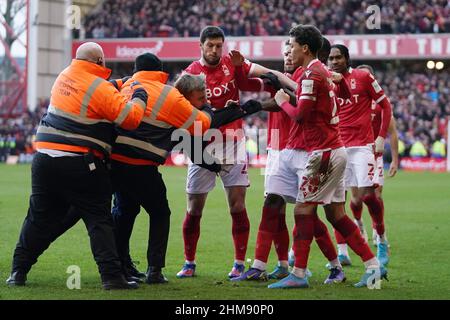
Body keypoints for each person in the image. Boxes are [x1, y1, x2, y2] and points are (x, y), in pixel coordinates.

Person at [110, 53, 263, 285]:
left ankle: (121, 266)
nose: (205, 100)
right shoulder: (171, 101)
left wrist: (241, 110)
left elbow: (197, 141)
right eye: (201, 97)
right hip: (141, 166)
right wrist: (217, 162)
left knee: (123, 212)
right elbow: (200, 132)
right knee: (159, 213)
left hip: (116, 164)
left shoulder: (128, 86)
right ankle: (152, 270)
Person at [6, 42, 148, 290]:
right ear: (101, 61)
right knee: (99, 220)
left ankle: (18, 270)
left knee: (37, 218)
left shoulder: (64, 76)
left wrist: (117, 84)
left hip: (44, 161)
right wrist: (138, 96)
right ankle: (112, 277)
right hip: (81, 163)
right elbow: (130, 118)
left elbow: (92, 95)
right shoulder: (99, 87)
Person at [269, 25, 386, 289]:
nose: (289, 49)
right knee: (335, 215)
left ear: (305, 48)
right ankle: (373, 267)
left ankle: (298, 274)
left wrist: (282, 102)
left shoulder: (311, 74)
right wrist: (336, 81)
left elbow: (300, 115)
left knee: (302, 209)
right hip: (335, 150)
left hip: (323, 153)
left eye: (292, 44)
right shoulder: (323, 71)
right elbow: (345, 90)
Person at [177, 26, 295, 279]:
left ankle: (239, 263)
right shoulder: (190, 74)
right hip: (203, 144)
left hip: (232, 143)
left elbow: (255, 80)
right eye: (210, 45)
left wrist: (287, 83)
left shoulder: (232, 63)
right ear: (201, 46)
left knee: (237, 205)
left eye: (219, 45)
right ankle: (189, 262)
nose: (215, 50)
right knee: (194, 208)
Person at [231, 37, 347, 284]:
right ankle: (265, 265)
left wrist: (261, 104)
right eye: (284, 53)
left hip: (306, 150)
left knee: (309, 215)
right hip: (277, 149)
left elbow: (285, 102)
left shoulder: (307, 80)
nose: (287, 56)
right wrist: (240, 66)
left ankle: (335, 265)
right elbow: (245, 82)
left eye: (290, 51)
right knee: (272, 204)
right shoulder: (279, 80)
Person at [328, 44, 393, 267]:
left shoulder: (363, 77)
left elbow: (386, 105)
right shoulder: (327, 82)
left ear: (347, 59)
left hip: (363, 146)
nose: (334, 61)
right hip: (337, 147)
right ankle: (342, 251)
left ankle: (382, 238)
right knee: (339, 201)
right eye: (331, 58)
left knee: (367, 196)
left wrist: (381, 137)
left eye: (338, 58)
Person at [356, 64, 399, 247]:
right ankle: (359, 224)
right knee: (356, 200)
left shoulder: (380, 103)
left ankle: (378, 231)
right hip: (355, 153)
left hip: (375, 154)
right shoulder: (352, 100)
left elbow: (393, 132)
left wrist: (395, 160)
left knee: (375, 195)